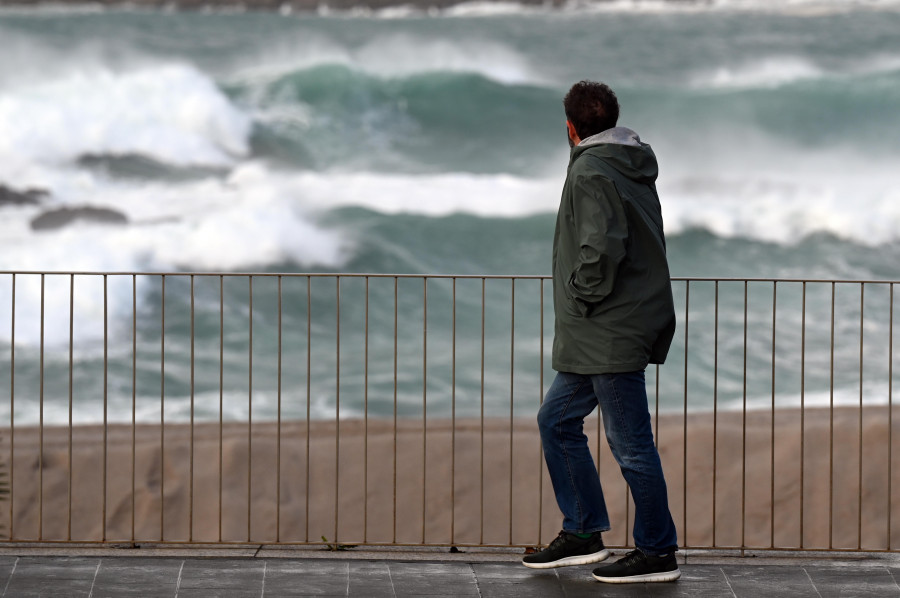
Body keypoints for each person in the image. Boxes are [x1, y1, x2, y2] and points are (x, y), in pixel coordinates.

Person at [521, 80, 680, 584]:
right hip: (603, 331)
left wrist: (580, 294)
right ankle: (584, 531)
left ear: (570, 128)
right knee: (556, 420)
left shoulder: (590, 170)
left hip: (607, 328)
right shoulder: (628, 164)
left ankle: (656, 552)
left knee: (630, 443)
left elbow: (602, 247)